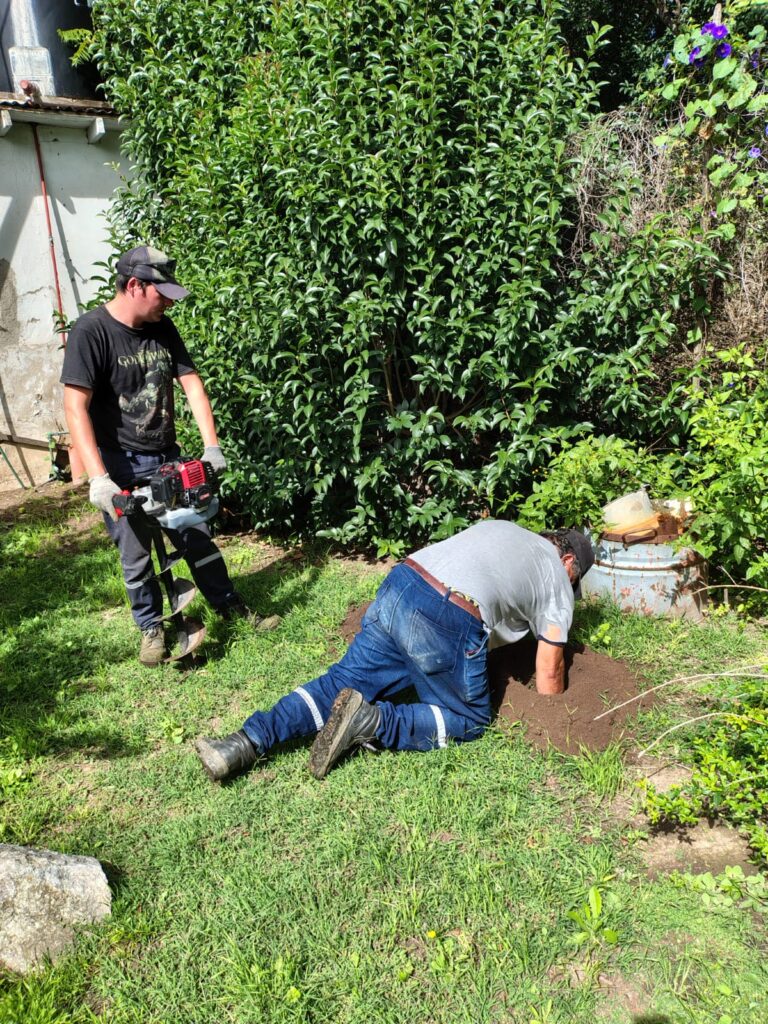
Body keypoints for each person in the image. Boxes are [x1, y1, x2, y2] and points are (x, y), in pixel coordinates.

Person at [194, 519, 594, 782]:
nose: (569, 586)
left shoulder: (504, 528)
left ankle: (241, 744)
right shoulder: (556, 575)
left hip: (403, 584)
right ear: (568, 560)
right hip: (448, 614)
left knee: (341, 681)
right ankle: (372, 723)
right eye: (574, 578)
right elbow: (549, 669)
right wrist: (555, 710)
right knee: (469, 720)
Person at [60, 245, 278, 666]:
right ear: (135, 285)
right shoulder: (91, 332)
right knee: (136, 555)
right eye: (163, 292)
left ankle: (228, 605)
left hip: (168, 460)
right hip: (119, 463)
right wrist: (98, 477)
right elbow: (75, 407)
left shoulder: (163, 327)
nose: (170, 301)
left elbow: (192, 384)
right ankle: (151, 629)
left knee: (197, 538)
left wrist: (211, 445)